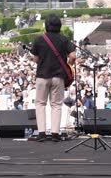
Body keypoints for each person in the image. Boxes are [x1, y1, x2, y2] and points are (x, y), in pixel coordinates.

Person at [30, 14, 76, 142]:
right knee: (56, 105)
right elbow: (73, 56)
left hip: (42, 76)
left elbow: (36, 59)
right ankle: (55, 133)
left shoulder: (39, 39)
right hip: (58, 76)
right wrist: (69, 65)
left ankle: (42, 133)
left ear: (46, 25)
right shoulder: (64, 39)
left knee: (40, 104)